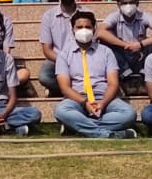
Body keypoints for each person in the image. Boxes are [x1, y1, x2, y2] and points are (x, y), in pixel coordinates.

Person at [53, 11, 137, 139]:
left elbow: (113, 83)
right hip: (77, 99)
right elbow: (65, 87)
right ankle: (107, 134)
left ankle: (77, 126)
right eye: (79, 27)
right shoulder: (64, 54)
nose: (84, 30)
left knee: (129, 113)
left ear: (94, 28)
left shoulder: (106, 52)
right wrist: (84, 103)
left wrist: (102, 103)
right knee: (61, 110)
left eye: (88, 27)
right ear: (72, 29)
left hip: (104, 98)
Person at [97, 0, 152, 76]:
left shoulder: (143, 16)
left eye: (131, 2)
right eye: (124, 3)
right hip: (122, 52)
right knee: (105, 38)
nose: (128, 6)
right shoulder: (114, 16)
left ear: (137, 3)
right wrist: (126, 45)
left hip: (140, 52)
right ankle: (125, 72)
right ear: (118, 4)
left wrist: (140, 44)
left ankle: (144, 69)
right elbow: (100, 32)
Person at [38, 0, 84, 96]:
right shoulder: (49, 16)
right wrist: (64, 60)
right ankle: (70, 91)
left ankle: (64, 91)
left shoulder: (85, 13)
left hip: (82, 57)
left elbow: (93, 41)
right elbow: (47, 49)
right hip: (57, 59)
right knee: (44, 77)